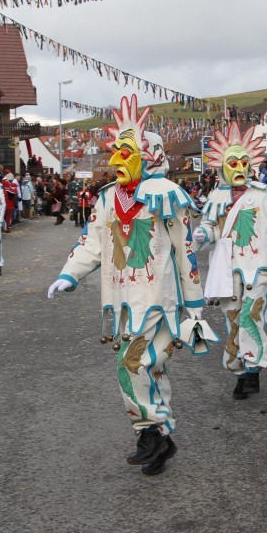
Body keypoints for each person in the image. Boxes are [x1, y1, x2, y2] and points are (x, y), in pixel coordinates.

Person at [47, 95, 212, 477]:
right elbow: (92, 243)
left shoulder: (166, 195)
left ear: (148, 155)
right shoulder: (107, 199)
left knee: (131, 365)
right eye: (115, 152)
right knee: (148, 368)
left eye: (127, 152)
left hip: (158, 298)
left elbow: (184, 251)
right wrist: (69, 274)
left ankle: (150, 433)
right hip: (121, 301)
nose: (116, 160)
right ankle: (159, 438)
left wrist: (194, 305)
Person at [193, 121, 267, 399]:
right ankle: (240, 371)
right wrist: (202, 233)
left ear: (251, 165)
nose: (239, 168)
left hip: (259, 269)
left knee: (252, 317)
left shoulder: (266, 194)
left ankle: (253, 370)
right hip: (228, 273)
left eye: (243, 162)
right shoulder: (216, 196)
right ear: (223, 167)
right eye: (233, 163)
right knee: (233, 322)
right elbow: (212, 229)